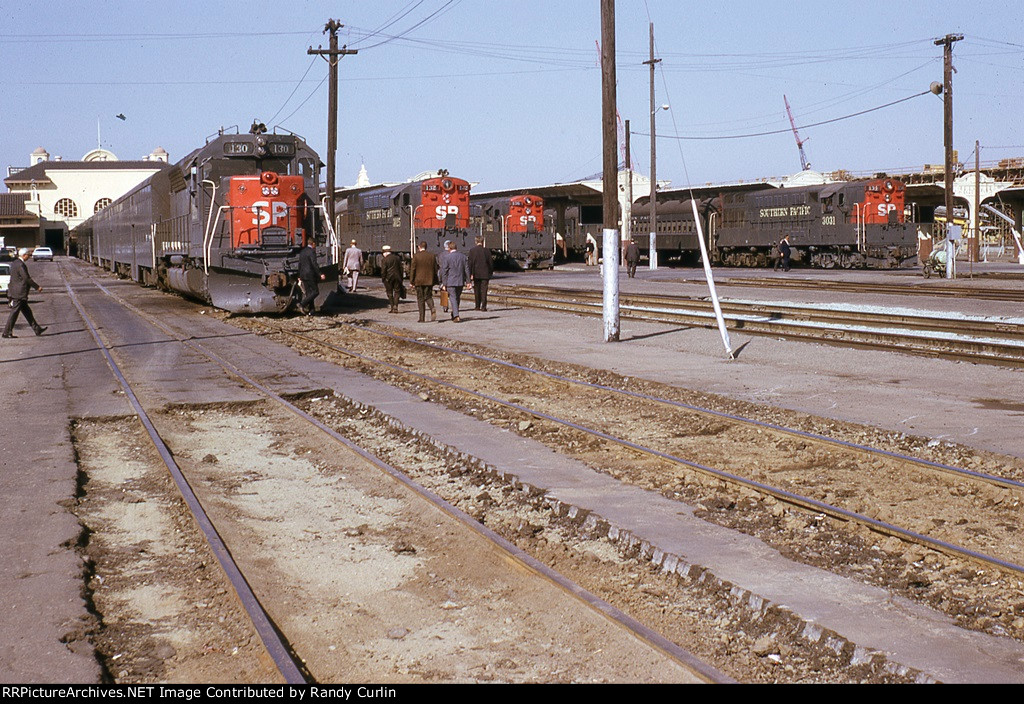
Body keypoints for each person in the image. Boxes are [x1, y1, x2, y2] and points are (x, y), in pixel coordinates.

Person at [3, 248, 46, 338]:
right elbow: (26, 278)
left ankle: (37, 329)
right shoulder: (20, 265)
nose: (29, 257)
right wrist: (37, 287)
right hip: (19, 293)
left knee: (27, 312)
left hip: (16, 291)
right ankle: (6, 332)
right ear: (24, 255)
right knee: (14, 313)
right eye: (28, 255)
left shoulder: (15, 263)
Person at [439, 239, 470, 323]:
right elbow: (467, 270)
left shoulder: (447, 257)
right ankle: (454, 313)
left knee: (453, 298)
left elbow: (444, 271)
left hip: (450, 281)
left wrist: (443, 283)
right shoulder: (463, 257)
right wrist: (468, 282)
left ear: (449, 248)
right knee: (457, 297)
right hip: (460, 281)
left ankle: (456, 315)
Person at [409, 240, 438, 323]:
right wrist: (435, 280)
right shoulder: (432, 256)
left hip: (419, 281)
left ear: (419, 247)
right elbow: (435, 269)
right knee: (428, 296)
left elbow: (413, 269)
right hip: (429, 280)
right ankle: (432, 307)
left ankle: (422, 318)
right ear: (426, 247)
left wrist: (411, 281)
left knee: (420, 299)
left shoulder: (416, 256)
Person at [297, 239, 325, 315]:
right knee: (315, 291)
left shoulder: (302, 252)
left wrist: (299, 275)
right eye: (315, 244)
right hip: (310, 275)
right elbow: (314, 264)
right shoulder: (312, 251)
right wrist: (320, 274)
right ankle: (302, 304)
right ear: (313, 244)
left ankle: (311, 311)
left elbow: (299, 264)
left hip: (303, 275)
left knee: (309, 294)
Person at [467, 236, 494, 311]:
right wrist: (490, 272)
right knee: (484, 290)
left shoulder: (472, 251)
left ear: (476, 242)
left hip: (476, 273)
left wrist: (470, 274)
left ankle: (477, 306)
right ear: (483, 242)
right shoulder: (487, 251)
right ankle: (484, 306)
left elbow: (470, 263)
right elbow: (490, 263)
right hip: (485, 274)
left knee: (477, 290)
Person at [380, 245, 404, 313]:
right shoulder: (397, 258)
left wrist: (383, 278)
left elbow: (383, 271)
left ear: (384, 252)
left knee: (389, 293)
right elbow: (401, 269)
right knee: (397, 291)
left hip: (388, 278)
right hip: (397, 277)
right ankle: (396, 306)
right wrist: (401, 278)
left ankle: (392, 307)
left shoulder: (384, 260)